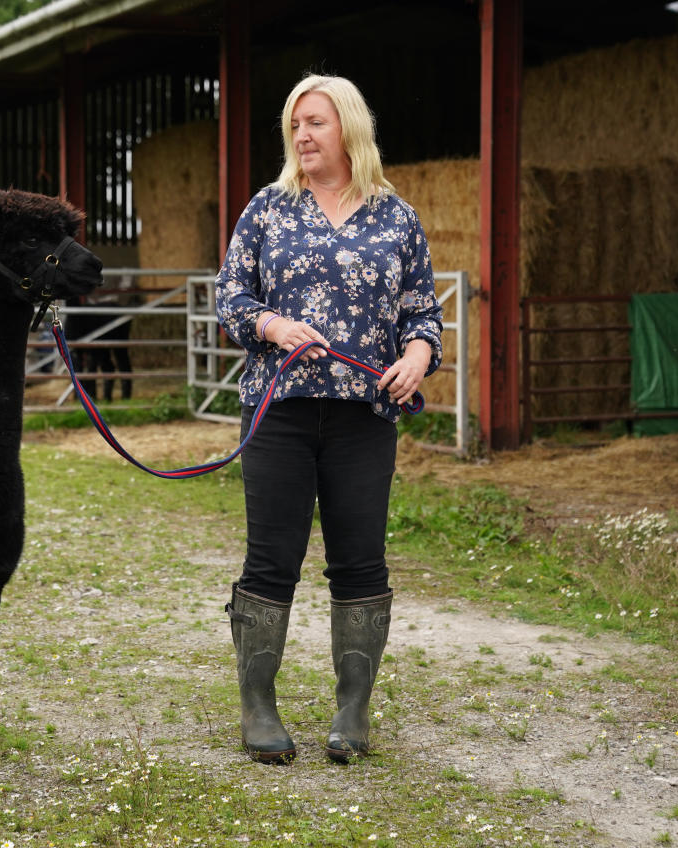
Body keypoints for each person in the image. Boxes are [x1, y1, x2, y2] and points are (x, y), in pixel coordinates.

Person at [215, 74, 443, 764]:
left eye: (314, 122)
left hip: (364, 416)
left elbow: (423, 311)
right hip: (279, 411)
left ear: (347, 127)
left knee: (360, 559)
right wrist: (274, 323)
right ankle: (258, 707)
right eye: (294, 125)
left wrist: (418, 353)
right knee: (272, 558)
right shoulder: (268, 209)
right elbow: (231, 297)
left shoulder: (395, 216)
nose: (302, 136)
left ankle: (353, 708)